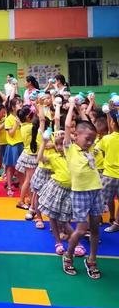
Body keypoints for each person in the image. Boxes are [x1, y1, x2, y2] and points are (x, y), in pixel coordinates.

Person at [62, 102, 102, 279]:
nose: (90, 142)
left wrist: (81, 110)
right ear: (75, 135)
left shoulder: (90, 147)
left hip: (96, 191)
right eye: (87, 139)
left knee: (95, 228)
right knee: (81, 228)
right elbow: (66, 125)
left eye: (92, 140)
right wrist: (71, 107)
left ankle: (92, 259)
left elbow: (90, 128)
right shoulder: (70, 148)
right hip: (80, 193)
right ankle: (68, 256)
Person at [97, 108, 119, 233]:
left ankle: (104, 218)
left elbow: (100, 151)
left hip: (109, 175)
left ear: (112, 123)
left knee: (103, 199)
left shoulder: (106, 139)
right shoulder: (108, 138)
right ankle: (115, 221)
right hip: (111, 175)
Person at [15, 106, 40, 211]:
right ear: (28, 117)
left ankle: (29, 199)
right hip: (30, 155)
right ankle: (20, 201)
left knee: (28, 180)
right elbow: (40, 122)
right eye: (32, 115)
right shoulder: (30, 127)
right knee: (28, 180)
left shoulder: (23, 125)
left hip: (27, 153)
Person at [4, 97, 24, 197]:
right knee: (11, 168)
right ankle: (9, 187)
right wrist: (16, 123)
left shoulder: (22, 116)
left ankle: (22, 186)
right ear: (12, 107)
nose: (20, 105)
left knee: (21, 168)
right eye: (18, 104)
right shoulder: (8, 119)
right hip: (13, 146)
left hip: (21, 144)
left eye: (21, 103)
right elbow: (11, 134)